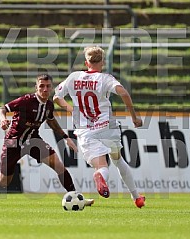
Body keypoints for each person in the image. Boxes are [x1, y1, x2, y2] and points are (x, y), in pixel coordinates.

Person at [0, 74, 94, 206]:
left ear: (51, 88)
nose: (45, 89)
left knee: (59, 166)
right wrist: (3, 119)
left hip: (34, 141)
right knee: (4, 181)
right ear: (36, 87)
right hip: (13, 142)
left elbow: (51, 121)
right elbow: (2, 109)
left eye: (48, 86)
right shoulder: (26, 101)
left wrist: (65, 137)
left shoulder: (49, 105)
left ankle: (75, 197)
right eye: (41, 86)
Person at [53, 46, 145, 208]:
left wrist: (73, 110)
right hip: (107, 128)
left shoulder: (74, 77)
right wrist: (134, 117)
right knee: (117, 159)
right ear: (103, 61)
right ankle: (136, 197)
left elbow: (56, 97)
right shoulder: (104, 78)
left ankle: (99, 175)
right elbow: (123, 93)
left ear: (86, 62)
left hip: (85, 130)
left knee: (102, 166)